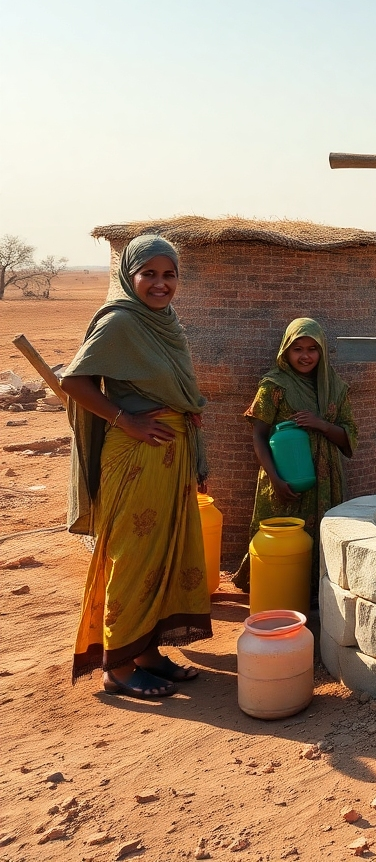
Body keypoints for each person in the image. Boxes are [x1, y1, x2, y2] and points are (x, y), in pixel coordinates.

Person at [62, 235, 212, 699]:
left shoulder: (164, 322)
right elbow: (74, 380)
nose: (160, 284)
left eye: (169, 275)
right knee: (133, 555)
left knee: (166, 550)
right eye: (149, 273)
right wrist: (124, 419)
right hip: (135, 455)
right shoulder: (121, 322)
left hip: (170, 452)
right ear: (130, 277)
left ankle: (147, 652)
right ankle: (120, 666)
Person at [232, 318, 357, 600]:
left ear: (322, 351)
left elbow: (349, 435)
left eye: (312, 348)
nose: (305, 355)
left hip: (325, 480)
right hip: (282, 477)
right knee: (280, 538)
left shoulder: (335, 387)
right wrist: (275, 479)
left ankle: (312, 592)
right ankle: (275, 592)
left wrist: (321, 424)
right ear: (285, 352)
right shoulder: (274, 385)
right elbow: (259, 435)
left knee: (320, 535)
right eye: (297, 348)